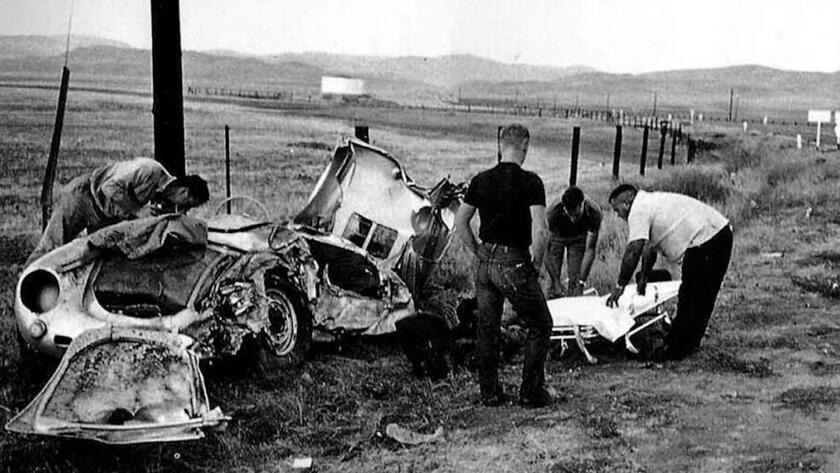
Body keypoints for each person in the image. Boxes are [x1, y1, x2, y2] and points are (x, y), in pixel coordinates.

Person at [454, 123, 554, 408]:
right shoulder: (532, 182)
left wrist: (477, 251)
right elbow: (541, 230)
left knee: (487, 327)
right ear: (525, 147)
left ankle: (489, 393)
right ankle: (531, 392)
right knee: (540, 324)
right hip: (514, 261)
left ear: (500, 146)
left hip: (485, 261)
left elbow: (461, 222)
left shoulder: (480, 180)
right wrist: (537, 263)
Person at [605, 184, 732, 361]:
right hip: (718, 234)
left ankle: (676, 349)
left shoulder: (638, 210)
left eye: (616, 209)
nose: (618, 215)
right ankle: (686, 343)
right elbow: (650, 247)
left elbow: (634, 249)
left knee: (692, 295)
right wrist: (644, 275)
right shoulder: (649, 202)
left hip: (707, 240)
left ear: (626, 203)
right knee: (700, 295)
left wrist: (620, 286)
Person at [27, 157, 209, 265]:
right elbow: (109, 188)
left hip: (105, 214)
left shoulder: (163, 194)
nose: (183, 209)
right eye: (187, 204)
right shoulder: (149, 170)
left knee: (100, 253)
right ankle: (26, 282)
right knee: (52, 247)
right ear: (184, 191)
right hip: (84, 197)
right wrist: (138, 211)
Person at [545, 186, 601, 297]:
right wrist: (556, 281)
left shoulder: (594, 212)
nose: (573, 219)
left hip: (578, 238)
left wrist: (581, 283)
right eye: (569, 215)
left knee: (575, 280)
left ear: (582, 204)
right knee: (551, 283)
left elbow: (590, 250)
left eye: (576, 215)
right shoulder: (553, 211)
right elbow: (546, 249)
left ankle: (573, 300)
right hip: (557, 236)